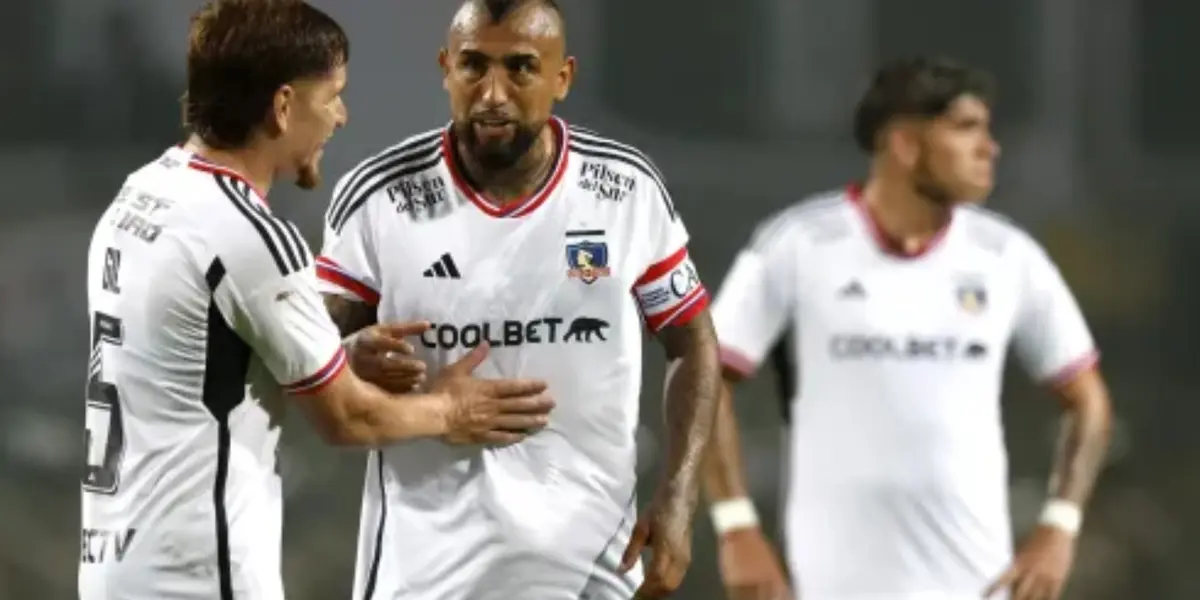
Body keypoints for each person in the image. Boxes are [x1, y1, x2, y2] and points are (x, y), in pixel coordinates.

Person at [79, 1, 554, 599]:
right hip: (198, 578)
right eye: (332, 96)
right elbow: (348, 418)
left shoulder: (139, 198)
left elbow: (201, 363)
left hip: (115, 572)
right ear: (283, 106)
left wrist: (338, 354)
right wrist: (450, 410)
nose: (340, 116)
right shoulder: (248, 234)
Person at [315, 1, 721, 598]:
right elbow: (309, 360)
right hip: (425, 574)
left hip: (592, 569)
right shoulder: (378, 196)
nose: (493, 94)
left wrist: (680, 497)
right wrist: (351, 355)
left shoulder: (625, 190)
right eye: (473, 66)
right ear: (446, 69)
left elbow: (694, 343)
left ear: (563, 77)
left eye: (521, 68)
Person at [704, 56, 1115, 600]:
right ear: (904, 144)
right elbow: (703, 382)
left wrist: (1059, 529)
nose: (990, 148)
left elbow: (1089, 402)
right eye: (967, 128)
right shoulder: (798, 244)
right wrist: (735, 527)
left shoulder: (1008, 257)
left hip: (978, 587)